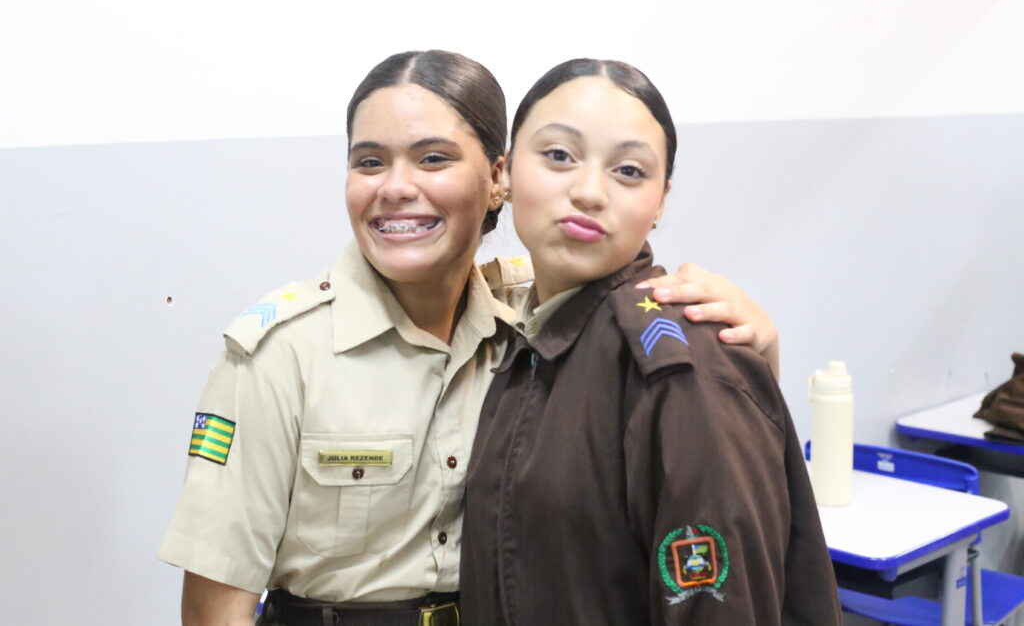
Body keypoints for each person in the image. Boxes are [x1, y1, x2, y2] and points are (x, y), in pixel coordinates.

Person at [158, 50, 782, 625]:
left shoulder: (532, 321)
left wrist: (760, 344)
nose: (396, 187)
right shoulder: (280, 354)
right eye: (369, 161)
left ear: (498, 177)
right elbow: (216, 603)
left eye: (433, 159)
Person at [460, 59, 840, 624]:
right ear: (506, 173)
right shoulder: (524, 329)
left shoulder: (679, 371)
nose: (589, 192)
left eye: (629, 171)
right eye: (559, 155)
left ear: (661, 200)